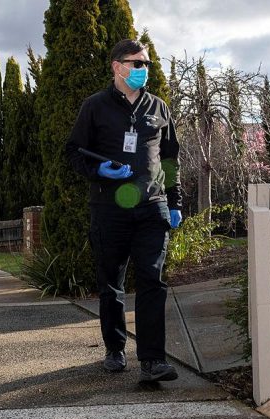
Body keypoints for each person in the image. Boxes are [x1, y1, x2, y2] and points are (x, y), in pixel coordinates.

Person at [65, 39, 183, 383]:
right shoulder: (95, 107)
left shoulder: (158, 107)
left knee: (152, 282)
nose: (144, 69)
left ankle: (152, 360)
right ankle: (115, 350)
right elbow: (73, 151)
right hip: (109, 210)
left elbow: (170, 158)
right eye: (137, 63)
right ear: (118, 66)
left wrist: (174, 202)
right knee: (111, 285)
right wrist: (98, 171)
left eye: (146, 64)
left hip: (151, 208)